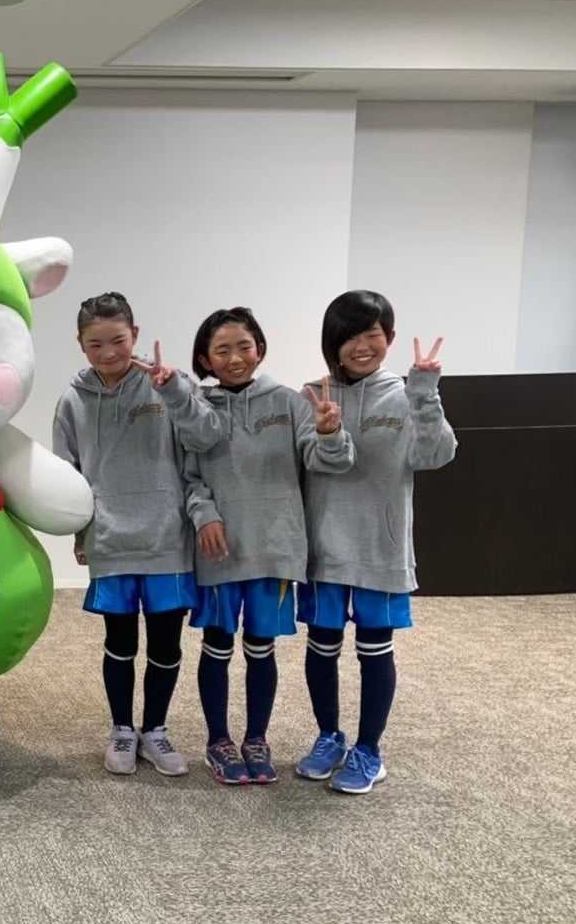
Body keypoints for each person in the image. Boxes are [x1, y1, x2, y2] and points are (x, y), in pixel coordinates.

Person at [52, 293, 222, 777]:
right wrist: (79, 532)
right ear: (80, 344)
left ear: (136, 336)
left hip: (167, 537)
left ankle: (156, 730)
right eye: (96, 344)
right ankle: (123, 730)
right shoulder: (72, 400)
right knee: (120, 642)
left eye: (118, 340)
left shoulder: (167, 384)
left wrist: (176, 394)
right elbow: (66, 474)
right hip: (110, 538)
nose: (108, 353)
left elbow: (207, 438)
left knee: (166, 644)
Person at [183, 308, 354, 785]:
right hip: (219, 550)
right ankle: (218, 741)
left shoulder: (291, 402)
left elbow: (324, 461)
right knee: (217, 645)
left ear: (260, 350)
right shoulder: (196, 409)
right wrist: (205, 515)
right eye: (222, 350)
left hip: (275, 548)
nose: (235, 358)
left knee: (262, 648)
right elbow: (188, 476)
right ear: (206, 360)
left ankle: (256, 738)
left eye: (244, 346)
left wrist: (329, 431)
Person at [296, 291, 456, 794]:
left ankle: (369, 750)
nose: (361, 346)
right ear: (332, 343)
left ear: (389, 337)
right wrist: (327, 433)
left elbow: (435, 455)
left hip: (380, 550)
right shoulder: (312, 393)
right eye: (349, 336)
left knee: (374, 651)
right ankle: (329, 737)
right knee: (321, 647)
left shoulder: (407, 396)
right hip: (324, 548)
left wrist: (425, 394)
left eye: (372, 335)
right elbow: (319, 463)